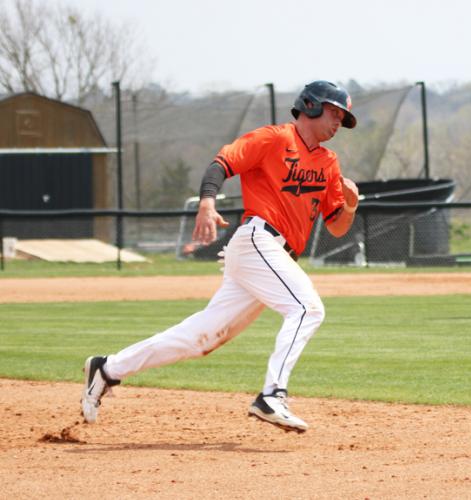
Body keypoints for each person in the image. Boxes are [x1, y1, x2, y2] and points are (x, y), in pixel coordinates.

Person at [81, 80, 359, 433]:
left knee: (202, 338)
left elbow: (337, 225)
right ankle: (272, 395)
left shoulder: (328, 162)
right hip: (258, 239)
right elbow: (221, 164)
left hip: (274, 258)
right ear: (311, 106)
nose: (338, 122)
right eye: (335, 113)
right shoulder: (274, 138)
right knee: (307, 308)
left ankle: (107, 369)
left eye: (343, 117)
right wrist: (207, 203)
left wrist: (350, 204)